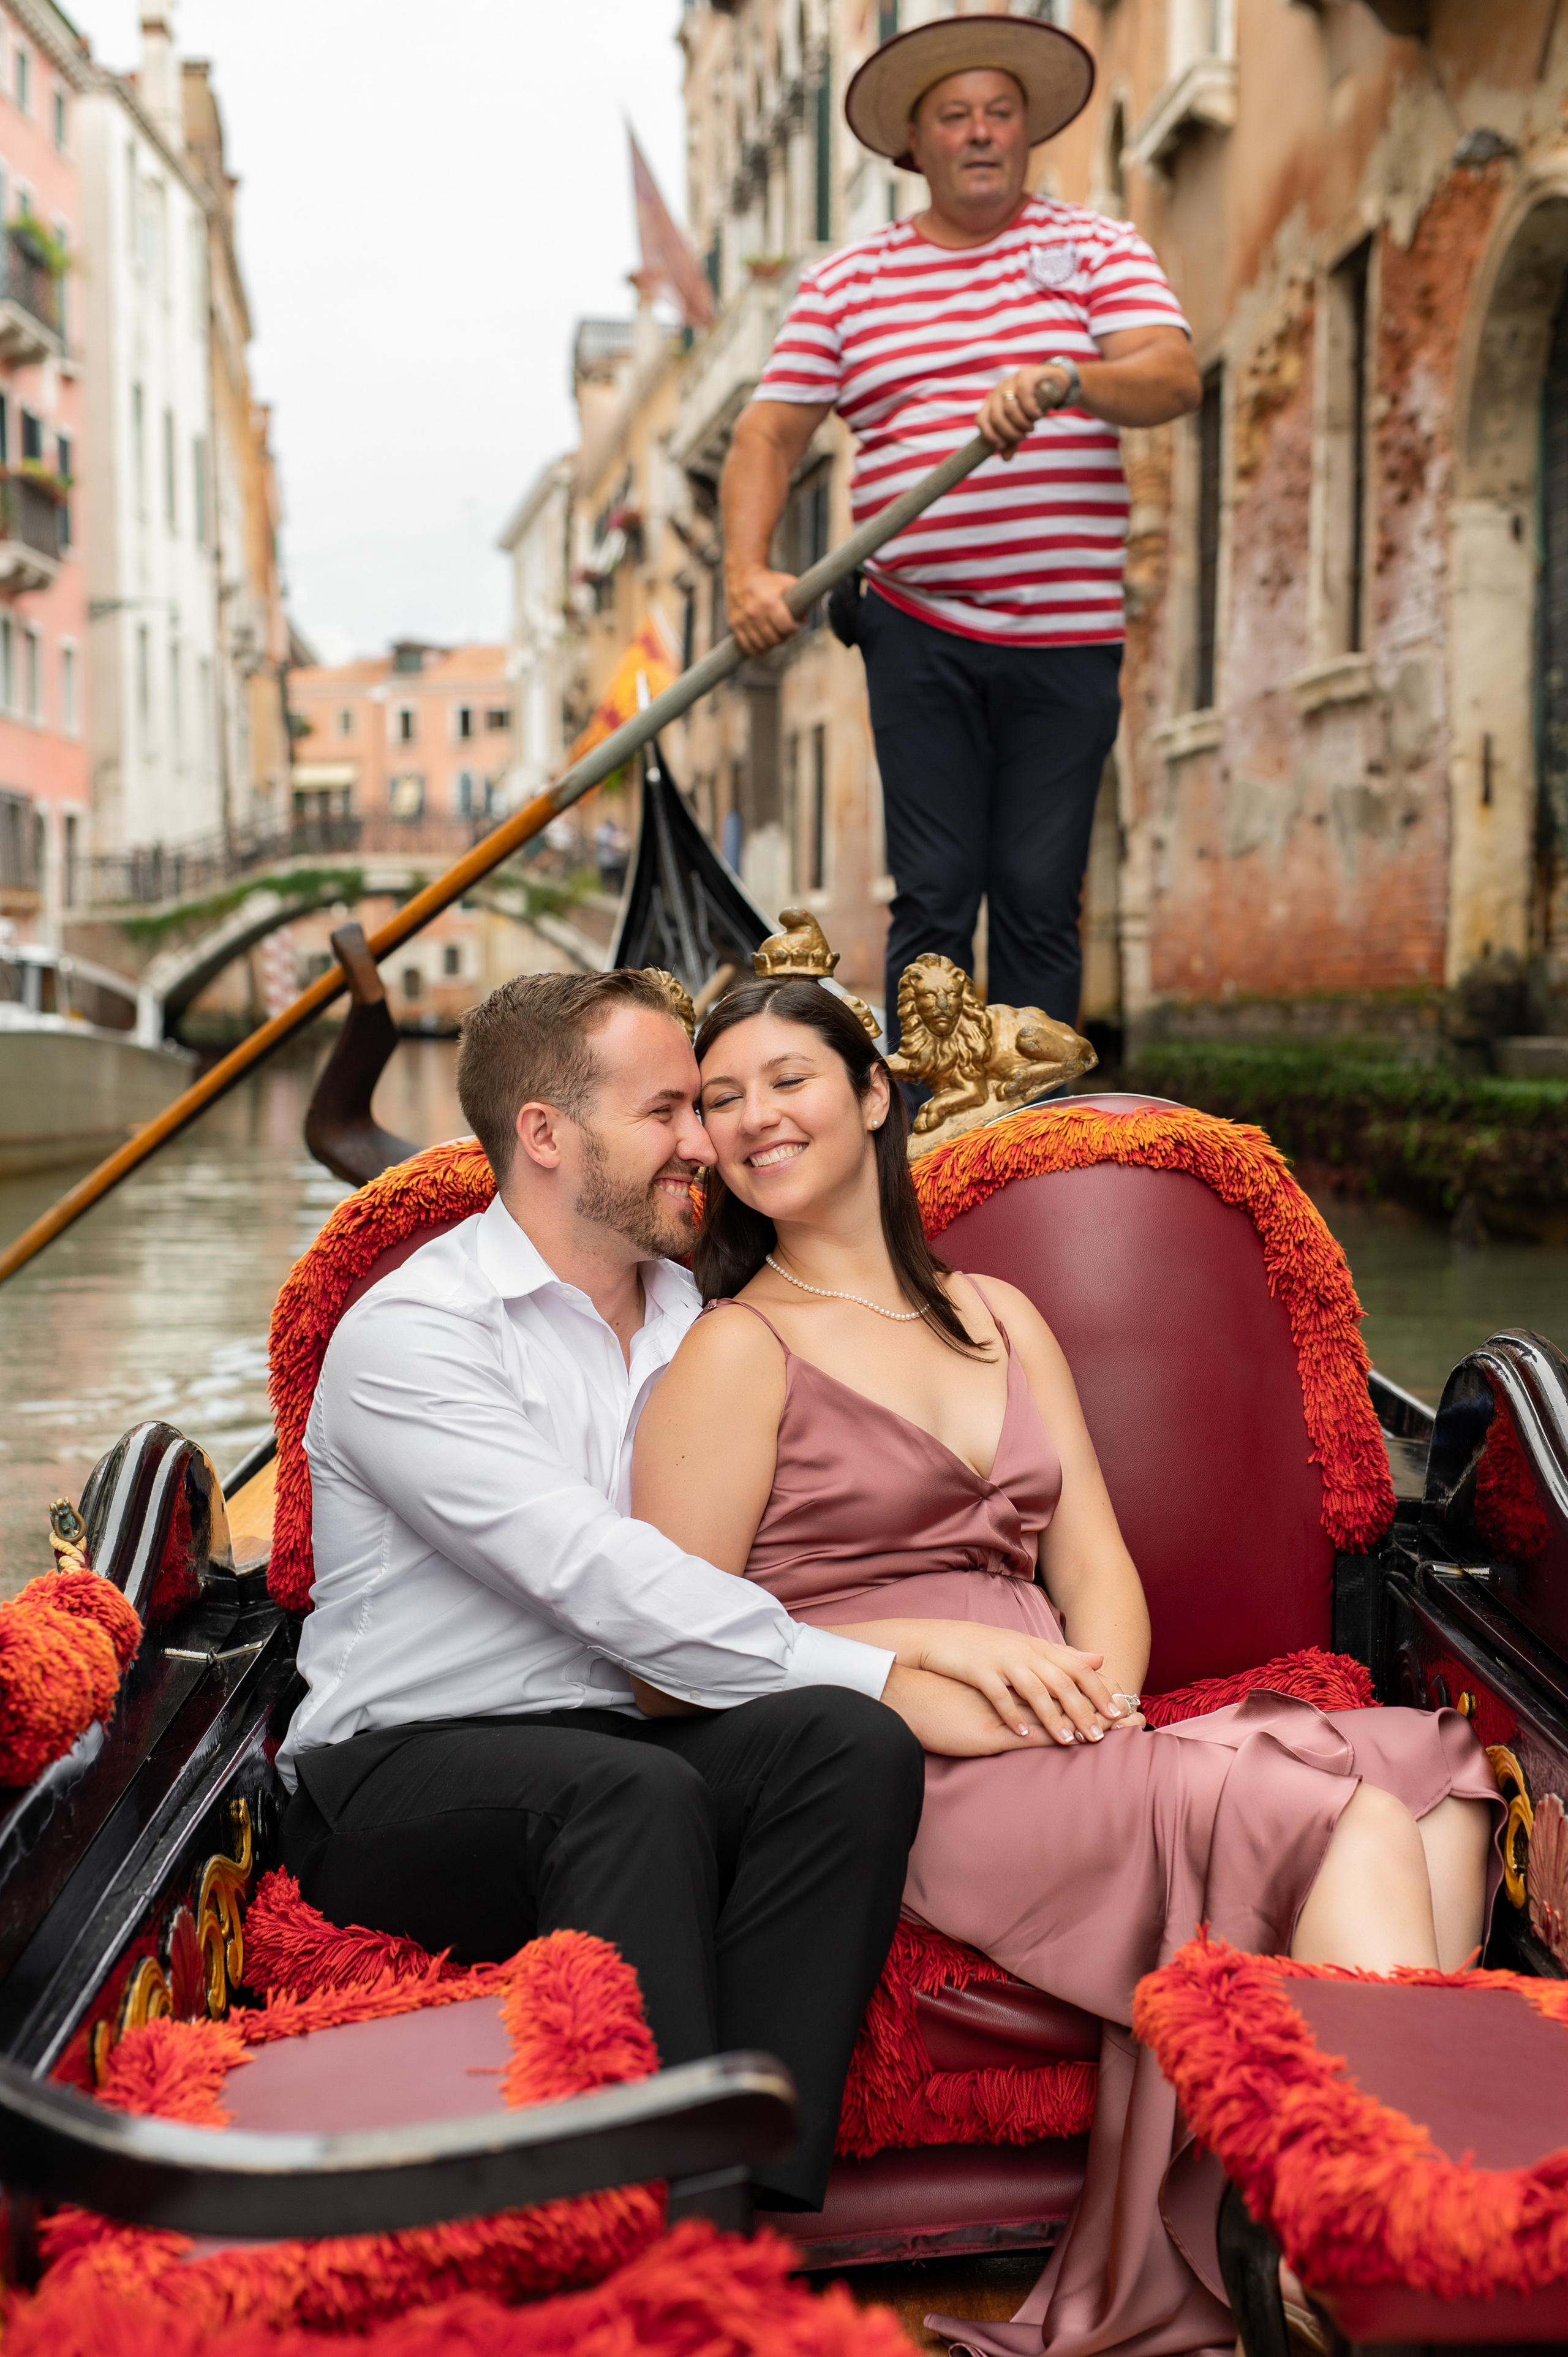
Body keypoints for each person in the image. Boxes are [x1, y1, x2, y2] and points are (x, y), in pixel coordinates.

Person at [630, 972, 1503, 2352]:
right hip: (910, 1757)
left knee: (1437, 1770)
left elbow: (1092, 1567)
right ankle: (1389, 2249)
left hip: (1068, 1724)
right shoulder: (735, 1351)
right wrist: (930, 1654)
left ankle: (1291, 2222)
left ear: (870, 1093)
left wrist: (1099, 1690)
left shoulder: (997, 1315)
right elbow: (662, 1650)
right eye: (719, 1098)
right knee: (1341, 1817)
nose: (752, 1119)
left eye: (785, 1079)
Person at [276, 966, 949, 2212]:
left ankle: (742, 2193)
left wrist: (897, 1676)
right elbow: (596, 1576)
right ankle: (672, 2246)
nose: (706, 1143)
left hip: (617, 1741)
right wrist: (892, 1669)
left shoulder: (698, 1318)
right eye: (668, 1112)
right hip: (396, 1777)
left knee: (846, 1748)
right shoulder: (414, 1333)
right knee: (641, 1790)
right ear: (545, 1133)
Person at [720, 14, 1200, 1044]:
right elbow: (765, 435)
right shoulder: (848, 285)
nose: (981, 133)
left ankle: (1034, 1146)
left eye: (1000, 113)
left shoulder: (1093, 250)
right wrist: (747, 576)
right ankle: (919, 1140)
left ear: (1025, 134)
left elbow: (1171, 375)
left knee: (1038, 889)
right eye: (955, 117)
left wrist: (1072, 378)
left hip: (1067, 633)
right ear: (915, 146)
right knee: (935, 890)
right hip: (915, 623)